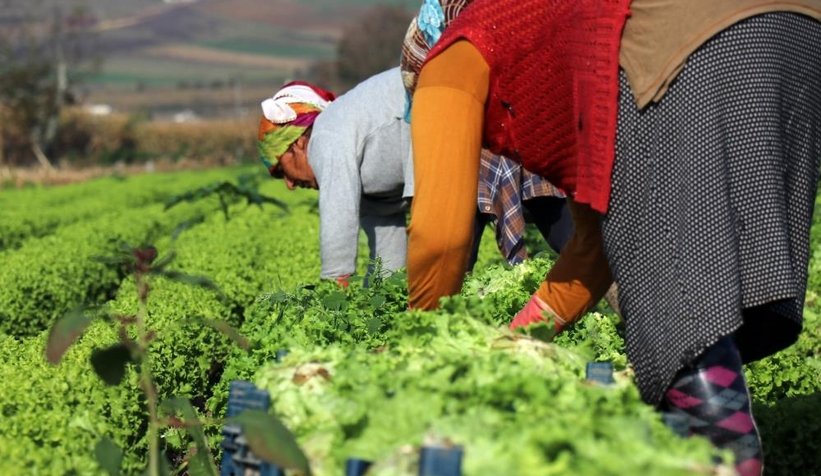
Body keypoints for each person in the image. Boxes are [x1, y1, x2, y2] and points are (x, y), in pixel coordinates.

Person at [404, 1, 821, 475]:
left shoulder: (453, 52)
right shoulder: (554, 32)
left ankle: (724, 456)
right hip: (797, 26)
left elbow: (439, 237)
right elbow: (595, 246)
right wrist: (520, 337)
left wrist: (426, 348)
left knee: (679, 316)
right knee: (736, 290)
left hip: (678, 45)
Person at [256, 68, 574, 287]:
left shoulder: (326, 134)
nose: (289, 184)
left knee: (445, 276)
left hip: (465, 131)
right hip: (466, 139)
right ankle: (613, 278)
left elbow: (338, 216)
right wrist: (380, 303)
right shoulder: (360, 167)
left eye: (281, 169)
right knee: (568, 236)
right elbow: (387, 245)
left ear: (297, 143)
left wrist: (335, 291)